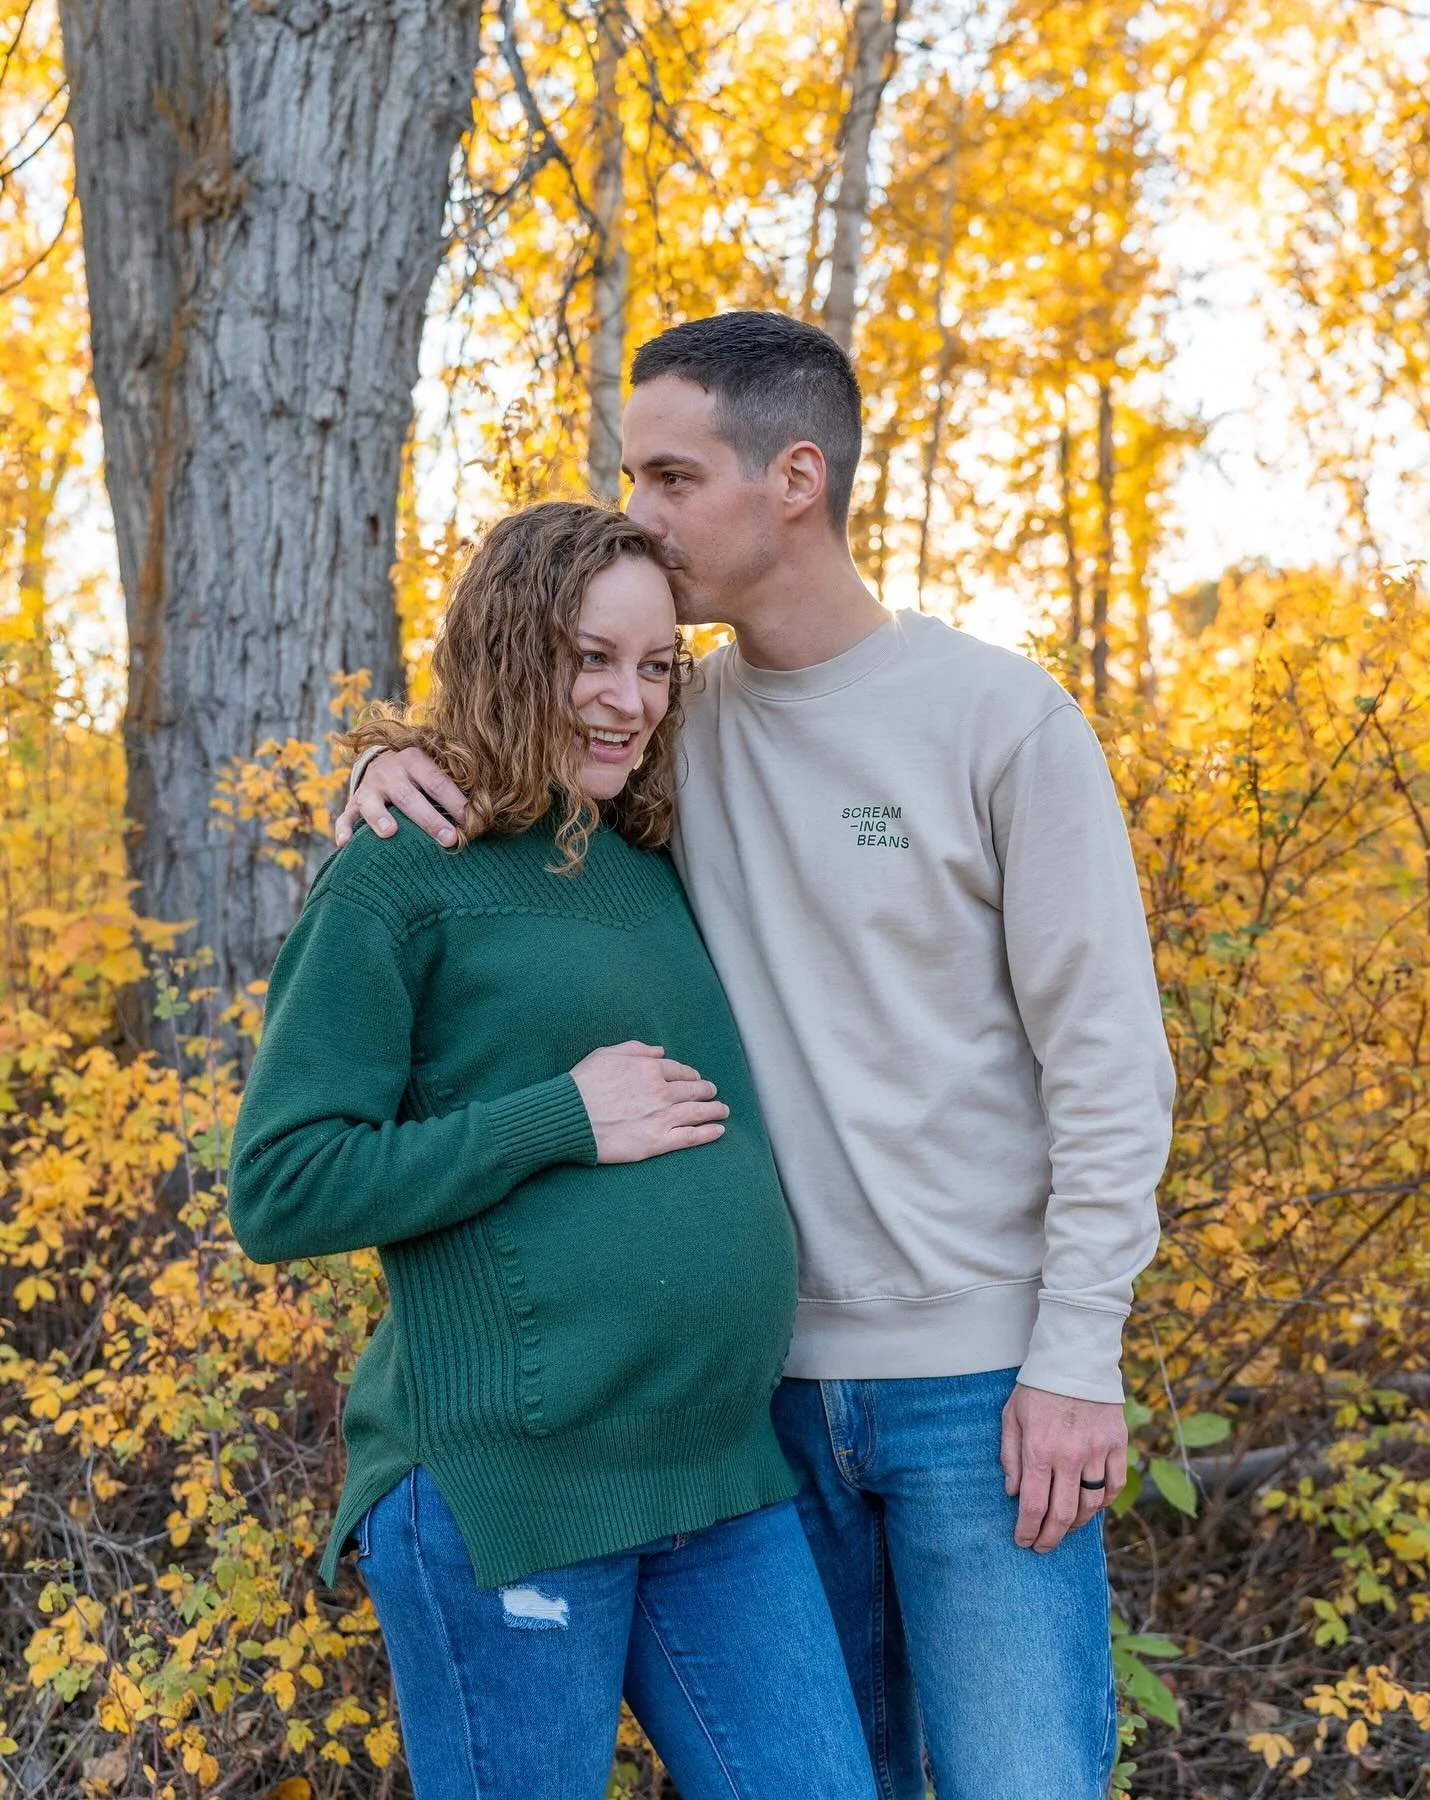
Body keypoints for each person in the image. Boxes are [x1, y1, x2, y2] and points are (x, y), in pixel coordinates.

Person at [338, 313, 1177, 1800]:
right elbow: (518, 775)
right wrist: (396, 762)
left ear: (795, 479)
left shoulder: (998, 720)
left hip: (983, 1393)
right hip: (758, 1410)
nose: (639, 513)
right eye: (632, 478)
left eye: (670, 478)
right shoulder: (670, 723)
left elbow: (1107, 1064)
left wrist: (1077, 1354)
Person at [229, 501, 878, 1800]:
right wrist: (559, 1118)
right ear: (512, 648)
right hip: (513, 1486)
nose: (629, 701)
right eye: (591, 658)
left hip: (717, 1473)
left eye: (656, 666)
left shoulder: (651, 852)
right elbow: (282, 1185)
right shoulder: (401, 871)